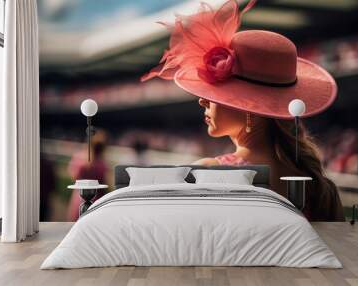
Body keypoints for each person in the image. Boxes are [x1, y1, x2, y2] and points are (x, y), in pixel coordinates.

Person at [141, 0, 344, 221]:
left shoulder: (206, 174)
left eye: (215, 95)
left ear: (250, 109)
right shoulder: (322, 189)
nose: (202, 101)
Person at [67, 130, 109, 221]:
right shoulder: (101, 164)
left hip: (79, 198)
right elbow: (104, 186)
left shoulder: (79, 158)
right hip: (96, 200)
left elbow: (72, 176)